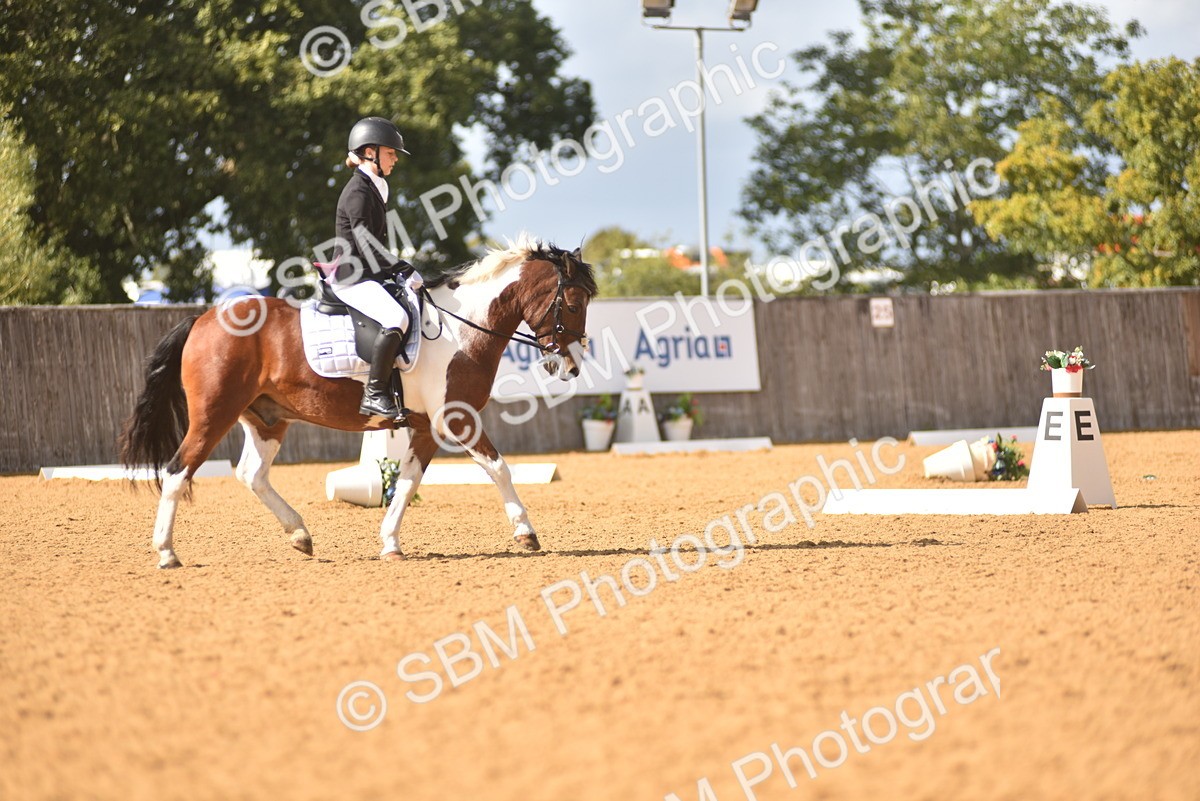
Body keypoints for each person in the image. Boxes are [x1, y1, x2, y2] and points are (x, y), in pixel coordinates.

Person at [329, 116, 420, 421]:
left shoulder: (375, 186)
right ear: (370, 152)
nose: (395, 159)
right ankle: (374, 393)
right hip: (351, 277)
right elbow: (365, 241)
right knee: (396, 317)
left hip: (369, 274)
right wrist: (401, 268)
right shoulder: (358, 191)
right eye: (391, 153)